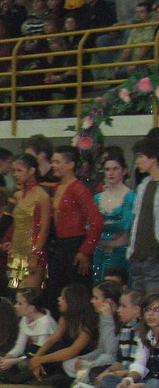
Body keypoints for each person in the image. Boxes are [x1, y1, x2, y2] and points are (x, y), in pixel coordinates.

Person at [47, 146, 104, 319]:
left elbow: (96, 221)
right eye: (53, 162)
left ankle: (79, 330)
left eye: (57, 162)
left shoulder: (78, 188)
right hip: (61, 246)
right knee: (56, 291)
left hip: (75, 245)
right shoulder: (58, 187)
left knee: (75, 294)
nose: (53, 165)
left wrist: (85, 250)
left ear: (70, 164)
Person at [99, 291, 159, 388]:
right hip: (147, 381)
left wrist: (139, 387)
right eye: (147, 310)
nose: (150, 314)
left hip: (154, 385)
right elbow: (139, 365)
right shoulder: (145, 336)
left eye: (156, 310)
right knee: (107, 380)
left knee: (152, 387)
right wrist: (128, 380)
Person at [28, 283, 98, 387]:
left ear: (72, 301)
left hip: (80, 359)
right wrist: (37, 357)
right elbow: (51, 341)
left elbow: (72, 351)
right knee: (34, 349)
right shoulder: (65, 318)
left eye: (63, 297)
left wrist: (40, 360)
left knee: (60, 355)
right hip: (65, 356)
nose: (59, 299)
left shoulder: (87, 324)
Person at [0, 287, 57, 383]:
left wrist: (13, 361)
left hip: (44, 359)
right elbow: (19, 346)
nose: (15, 306)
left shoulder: (45, 323)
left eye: (20, 304)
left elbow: (40, 353)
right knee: (6, 366)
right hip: (30, 356)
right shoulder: (25, 319)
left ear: (31, 308)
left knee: (23, 363)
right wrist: (6, 358)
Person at [6, 153, 51, 289]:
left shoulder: (42, 196)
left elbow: (44, 229)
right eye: (13, 171)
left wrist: (36, 255)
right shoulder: (17, 195)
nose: (15, 174)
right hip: (17, 251)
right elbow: (16, 225)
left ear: (31, 171)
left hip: (33, 252)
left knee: (29, 294)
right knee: (15, 292)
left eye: (19, 170)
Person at [92, 153, 134, 284]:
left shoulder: (130, 196)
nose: (111, 173)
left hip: (119, 252)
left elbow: (124, 225)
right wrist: (109, 233)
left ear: (124, 171)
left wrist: (101, 227)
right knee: (98, 287)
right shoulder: (98, 198)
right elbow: (90, 225)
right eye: (107, 169)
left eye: (115, 169)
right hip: (99, 251)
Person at [127, 137, 159, 293]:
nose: (137, 161)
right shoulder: (144, 185)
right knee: (136, 301)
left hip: (154, 256)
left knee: (153, 301)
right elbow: (137, 220)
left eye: (141, 156)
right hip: (138, 254)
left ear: (153, 158)